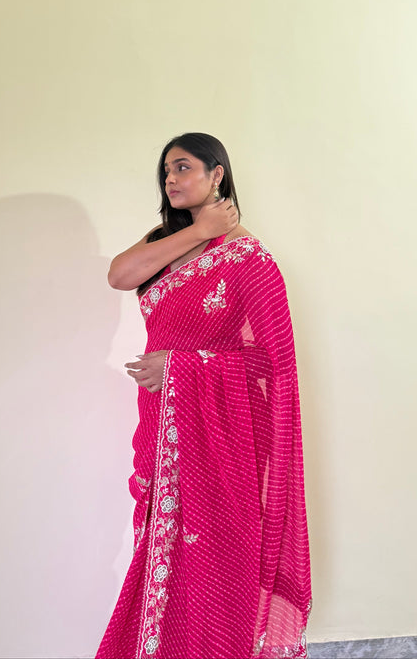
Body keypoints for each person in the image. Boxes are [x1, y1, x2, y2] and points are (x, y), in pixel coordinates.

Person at [96, 133, 311, 659]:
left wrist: (181, 366)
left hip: (217, 438)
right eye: (166, 170)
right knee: (159, 555)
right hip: (160, 425)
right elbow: (119, 275)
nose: (171, 178)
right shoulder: (166, 240)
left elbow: (274, 362)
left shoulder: (248, 260)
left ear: (217, 174)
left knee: (214, 564)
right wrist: (200, 230)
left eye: (184, 167)